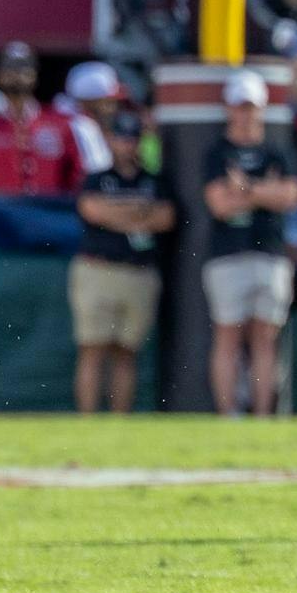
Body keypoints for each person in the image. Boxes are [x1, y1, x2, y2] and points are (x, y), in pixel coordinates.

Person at [201, 70, 297, 417]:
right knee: (228, 336)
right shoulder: (216, 153)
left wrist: (245, 188)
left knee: (264, 339)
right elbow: (219, 205)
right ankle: (229, 414)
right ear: (230, 109)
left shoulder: (278, 151)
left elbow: (290, 196)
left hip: (270, 254)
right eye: (240, 107)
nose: (246, 115)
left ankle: (262, 414)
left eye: (252, 107)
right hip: (228, 255)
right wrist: (265, 192)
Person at [70, 110, 172, 413]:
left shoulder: (154, 181)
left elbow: (165, 218)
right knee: (92, 349)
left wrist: (117, 214)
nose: (127, 145)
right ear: (109, 140)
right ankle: (87, 422)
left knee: (126, 352)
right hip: (99, 268)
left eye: (133, 138)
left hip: (138, 271)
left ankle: (119, 423)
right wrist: (139, 213)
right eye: (120, 138)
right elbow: (92, 210)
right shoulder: (97, 179)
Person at [0, 42, 85, 195]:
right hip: (1, 215)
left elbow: (76, 179)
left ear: (35, 74)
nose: (17, 74)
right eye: (9, 68)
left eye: (24, 68)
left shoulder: (60, 125)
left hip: (47, 214)